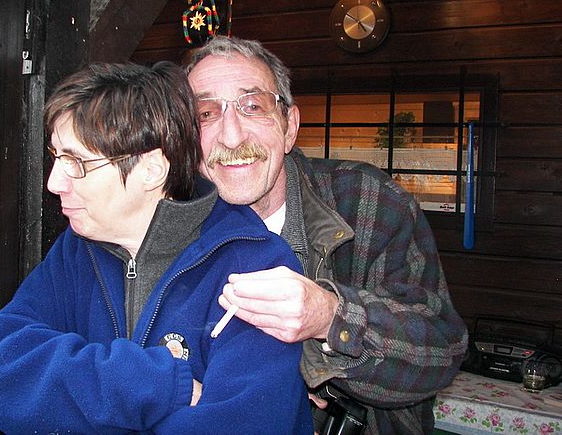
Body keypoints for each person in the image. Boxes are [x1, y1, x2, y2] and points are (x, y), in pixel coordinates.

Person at [0, 62, 313, 434]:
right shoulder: (78, 248)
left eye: (77, 162)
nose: (54, 182)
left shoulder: (256, 266)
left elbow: (241, 425)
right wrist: (161, 384)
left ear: (152, 169)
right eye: (57, 157)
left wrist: (75, 400)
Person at [185, 35, 469, 434]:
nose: (231, 137)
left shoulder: (371, 201)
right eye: (205, 113)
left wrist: (328, 317)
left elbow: (442, 351)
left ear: (289, 127)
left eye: (253, 106)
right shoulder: (171, 226)